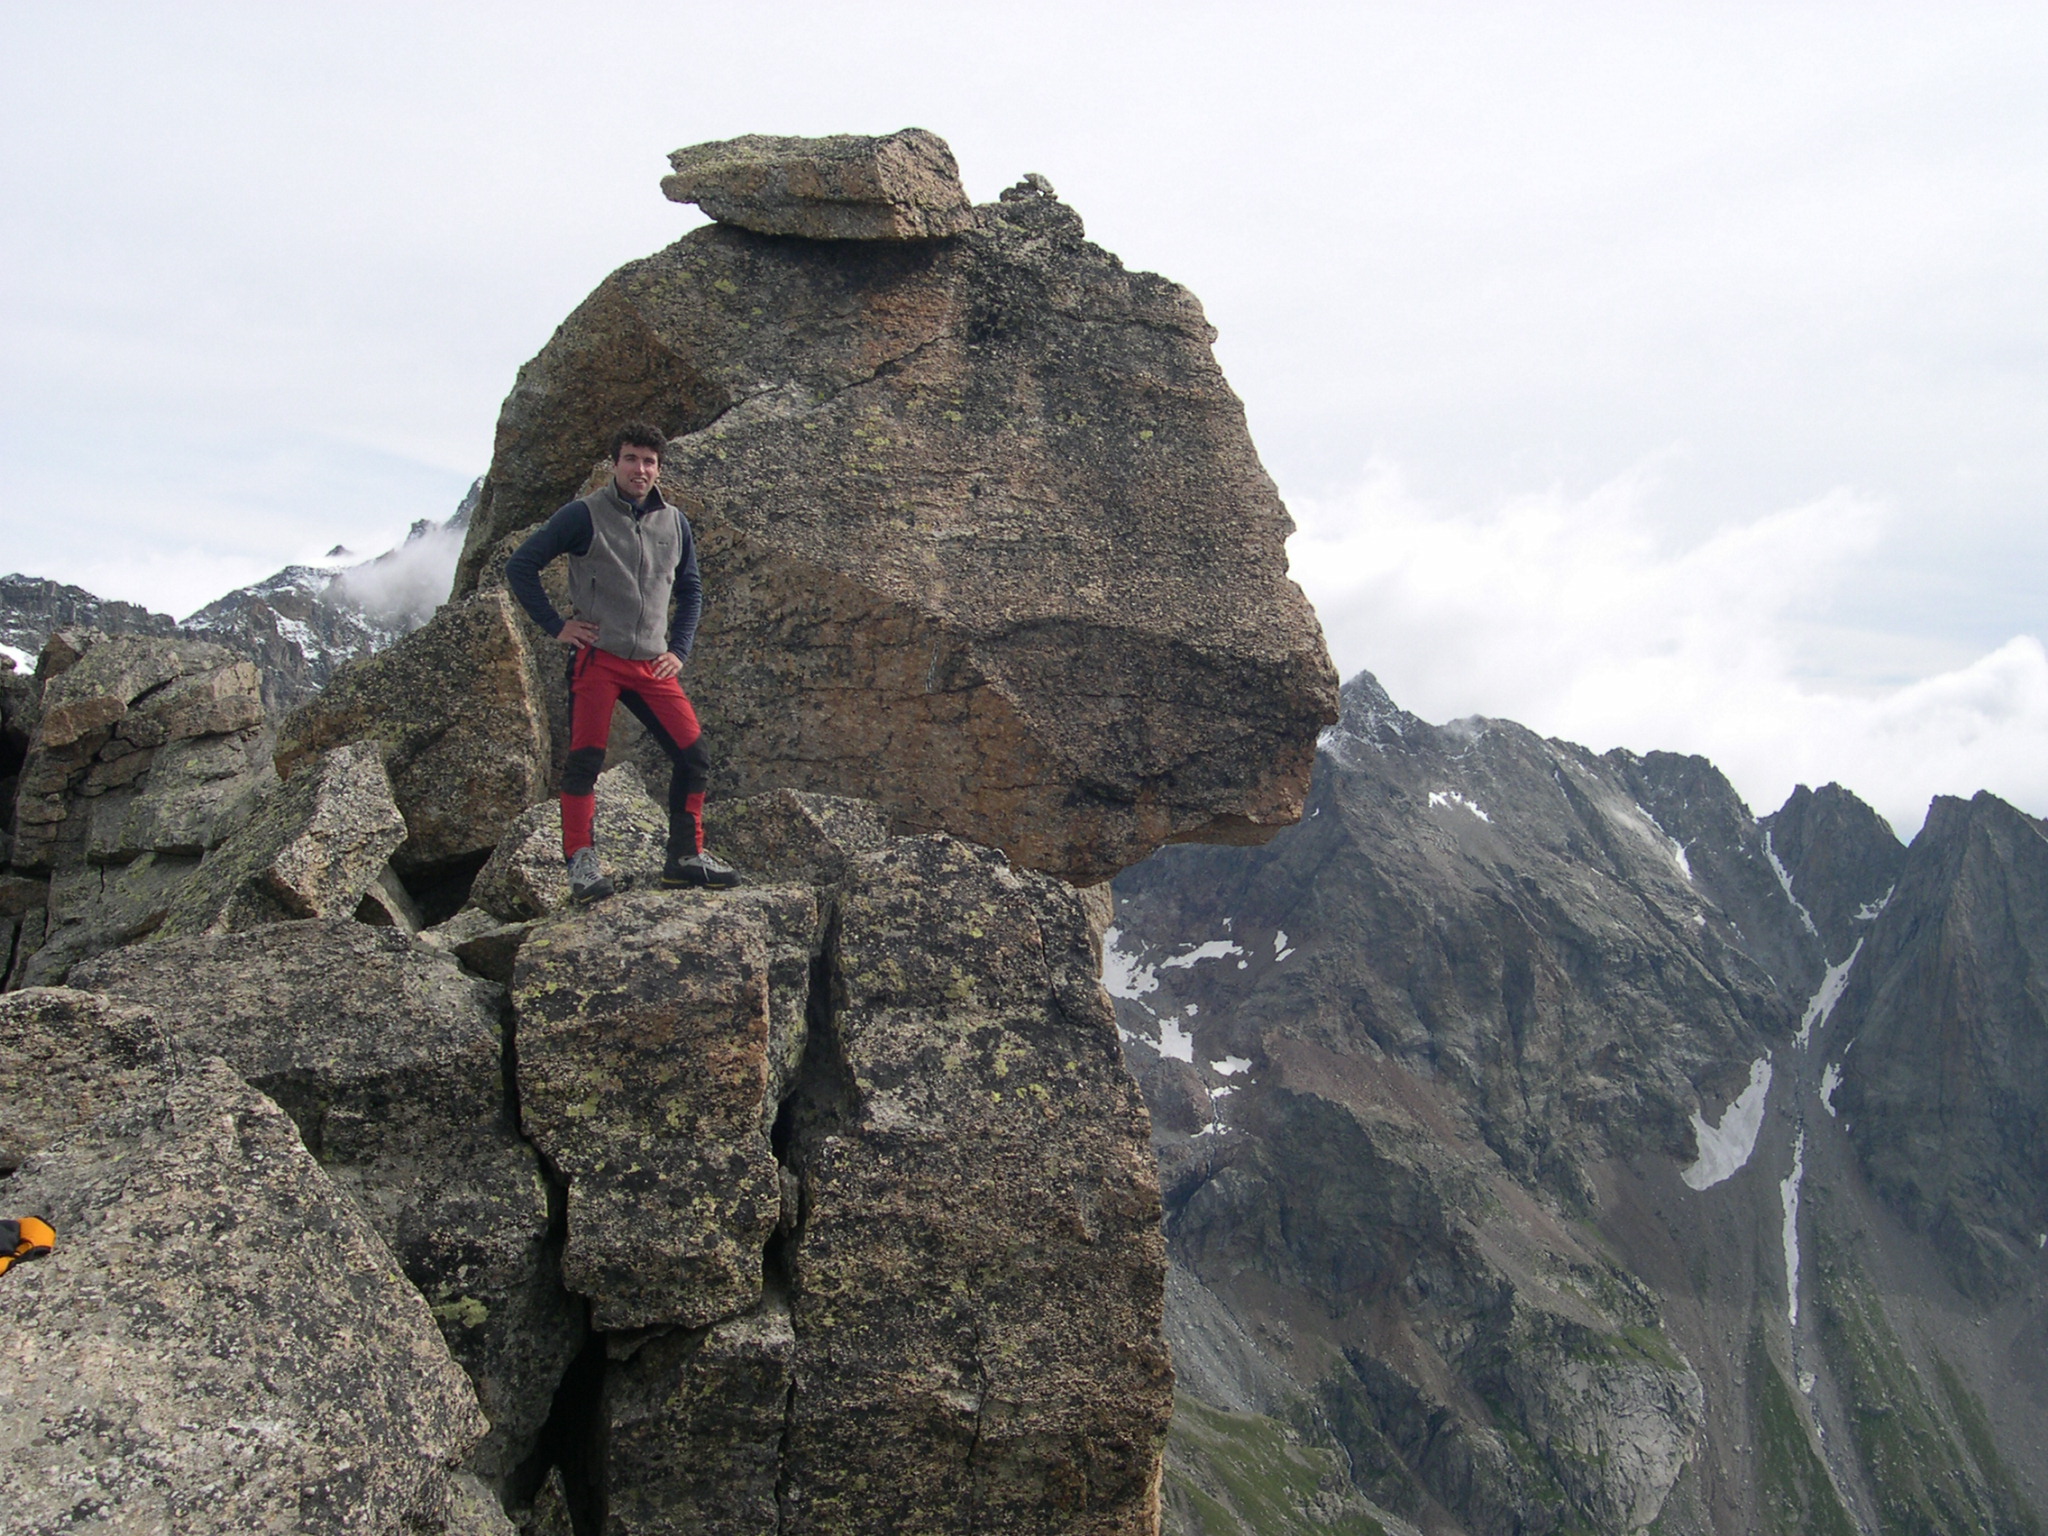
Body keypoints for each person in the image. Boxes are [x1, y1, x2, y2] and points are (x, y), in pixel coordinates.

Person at [504, 422, 740, 901]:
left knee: (693, 755)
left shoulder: (674, 522)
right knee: (585, 761)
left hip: (653, 664)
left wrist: (679, 650)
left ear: (659, 469)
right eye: (631, 458)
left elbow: (691, 589)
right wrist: (557, 626)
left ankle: (685, 859)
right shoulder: (584, 514)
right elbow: (520, 566)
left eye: (649, 461)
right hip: (599, 660)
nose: (640, 469)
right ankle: (581, 864)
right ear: (615, 463)